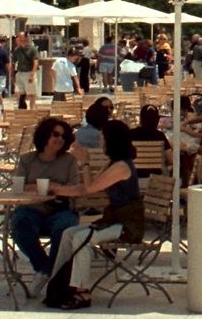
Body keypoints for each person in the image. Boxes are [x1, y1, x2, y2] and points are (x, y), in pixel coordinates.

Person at [44, 127, 145, 309]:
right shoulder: (113, 164)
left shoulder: (122, 167)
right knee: (68, 233)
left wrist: (85, 163)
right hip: (113, 220)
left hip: (127, 225)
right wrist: (57, 190)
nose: (101, 143)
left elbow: (90, 189)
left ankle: (82, 291)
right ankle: (59, 285)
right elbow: (86, 189)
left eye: (103, 140)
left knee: (82, 238)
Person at [8, 118, 80, 286]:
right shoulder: (27, 160)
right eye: (55, 134)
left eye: (63, 136)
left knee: (65, 228)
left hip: (60, 209)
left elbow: (74, 188)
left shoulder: (69, 161)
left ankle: (46, 273)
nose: (59, 139)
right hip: (32, 208)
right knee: (18, 222)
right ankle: (44, 268)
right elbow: (19, 186)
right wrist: (50, 187)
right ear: (44, 135)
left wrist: (50, 188)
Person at [11, 31, 36, 107]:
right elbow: (13, 63)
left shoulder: (32, 49)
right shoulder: (17, 50)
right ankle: (20, 108)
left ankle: (32, 110)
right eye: (18, 37)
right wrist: (12, 75)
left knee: (31, 94)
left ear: (26, 38)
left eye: (21, 37)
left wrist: (32, 74)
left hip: (29, 73)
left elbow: (36, 62)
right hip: (20, 73)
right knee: (18, 92)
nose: (19, 39)